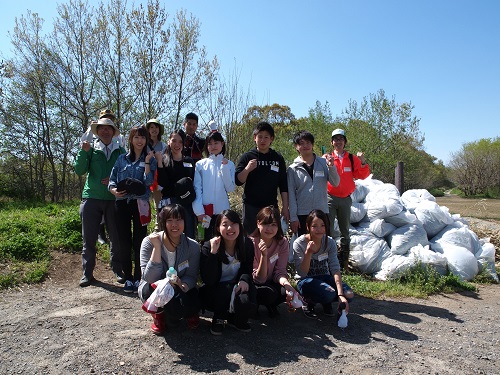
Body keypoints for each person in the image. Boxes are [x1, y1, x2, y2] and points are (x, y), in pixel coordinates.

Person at [74, 117, 126, 287]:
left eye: (109, 129)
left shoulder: (120, 151)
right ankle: (87, 274)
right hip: (91, 198)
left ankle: (117, 270)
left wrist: (114, 180)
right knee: (88, 239)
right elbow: (80, 170)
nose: (105, 131)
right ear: (97, 131)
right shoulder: (90, 148)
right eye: (102, 128)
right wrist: (83, 151)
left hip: (113, 199)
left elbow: (125, 173)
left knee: (116, 238)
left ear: (113, 132)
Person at [138, 204, 201, 335]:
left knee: (191, 300)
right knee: (147, 290)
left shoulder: (193, 246)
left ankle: (189, 313)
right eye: (169, 220)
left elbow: (191, 276)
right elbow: (149, 278)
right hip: (155, 288)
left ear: (185, 221)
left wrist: (181, 285)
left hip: (179, 286)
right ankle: (159, 316)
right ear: (163, 222)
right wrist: (156, 248)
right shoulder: (149, 242)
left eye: (179, 220)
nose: (174, 225)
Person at [109, 125, 156, 293]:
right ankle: (128, 277)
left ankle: (139, 278)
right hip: (121, 203)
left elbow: (148, 183)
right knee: (123, 241)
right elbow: (112, 180)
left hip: (140, 205)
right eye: (136, 137)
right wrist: (113, 190)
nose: (139, 140)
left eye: (142, 137)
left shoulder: (150, 159)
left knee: (140, 242)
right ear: (130, 139)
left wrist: (148, 163)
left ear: (146, 140)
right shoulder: (122, 159)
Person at [199, 210, 258, 335]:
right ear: (218, 228)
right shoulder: (208, 246)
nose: (230, 228)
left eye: (234, 223)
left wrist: (243, 279)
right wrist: (213, 254)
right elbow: (208, 279)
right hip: (215, 290)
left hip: (235, 286)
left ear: (239, 226)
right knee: (223, 290)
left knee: (247, 301)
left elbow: (247, 268)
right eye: (225, 224)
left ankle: (234, 319)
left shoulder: (246, 244)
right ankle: (218, 317)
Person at [293, 209, 353, 319]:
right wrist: (308, 253)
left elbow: (335, 269)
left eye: (322, 225)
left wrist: (340, 295)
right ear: (308, 227)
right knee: (328, 293)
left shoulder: (329, 242)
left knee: (348, 294)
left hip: (324, 278)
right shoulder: (299, 243)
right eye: (314, 226)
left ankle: (327, 300)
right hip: (306, 280)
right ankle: (307, 301)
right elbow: (302, 272)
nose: (319, 230)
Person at [324, 128, 371, 270]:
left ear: (345, 142)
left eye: (341, 139)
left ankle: (343, 263)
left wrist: (362, 162)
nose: (338, 142)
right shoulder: (326, 157)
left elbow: (363, 175)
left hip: (345, 199)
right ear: (332, 142)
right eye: (335, 139)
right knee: (328, 231)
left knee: (345, 231)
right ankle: (327, 262)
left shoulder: (351, 158)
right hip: (330, 198)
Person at [235, 121, 289, 234]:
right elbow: (238, 181)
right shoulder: (247, 156)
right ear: (255, 138)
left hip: (271, 207)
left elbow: (283, 185)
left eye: (266, 137)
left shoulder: (277, 158)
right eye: (260, 137)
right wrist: (247, 169)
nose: (263, 140)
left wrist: (285, 207)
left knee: (272, 239)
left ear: (271, 139)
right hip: (251, 206)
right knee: (250, 240)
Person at [287, 130, 340, 236]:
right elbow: (291, 195)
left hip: (322, 212)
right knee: (304, 247)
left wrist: (331, 166)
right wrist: (293, 217)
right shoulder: (292, 169)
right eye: (301, 143)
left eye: (308, 143)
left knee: (323, 246)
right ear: (296, 146)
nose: (305, 146)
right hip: (302, 214)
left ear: (312, 145)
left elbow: (335, 183)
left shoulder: (323, 163)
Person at [251, 206, 298, 318]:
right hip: (255, 283)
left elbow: (280, 271)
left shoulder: (282, 242)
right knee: (267, 293)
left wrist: (287, 285)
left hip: (272, 281)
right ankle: (255, 305)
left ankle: (271, 305)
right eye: (265, 224)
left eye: (273, 225)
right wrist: (264, 255)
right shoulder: (250, 243)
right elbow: (259, 279)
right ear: (258, 224)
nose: (269, 229)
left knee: (284, 291)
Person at [193, 122, 236, 241]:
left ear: (222, 144)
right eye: (210, 144)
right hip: (205, 212)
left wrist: (225, 168)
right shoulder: (201, 165)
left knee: (224, 241)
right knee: (207, 242)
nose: (213, 146)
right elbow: (197, 188)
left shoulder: (230, 164)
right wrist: (199, 211)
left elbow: (230, 188)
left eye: (216, 143)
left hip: (223, 211)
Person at [156, 129, 197, 239]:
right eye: (174, 141)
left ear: (184, 144)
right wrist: (159, 163)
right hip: (170, 203)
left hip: (187, 203)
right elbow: (163, 183)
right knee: (170, 237)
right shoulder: (164, 160)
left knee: (189, 235)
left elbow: (194, 183)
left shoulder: (189, 161)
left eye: (180, 141)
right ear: (169, 141)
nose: (177, 144)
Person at [146, 118, 167, 229]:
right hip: (146, 176)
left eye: (156, 127)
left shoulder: (163, 146)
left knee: (158, 202)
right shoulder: (144, 144)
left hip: (158, 179)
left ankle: (158, 225)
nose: (154, 130)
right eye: (152, 127)